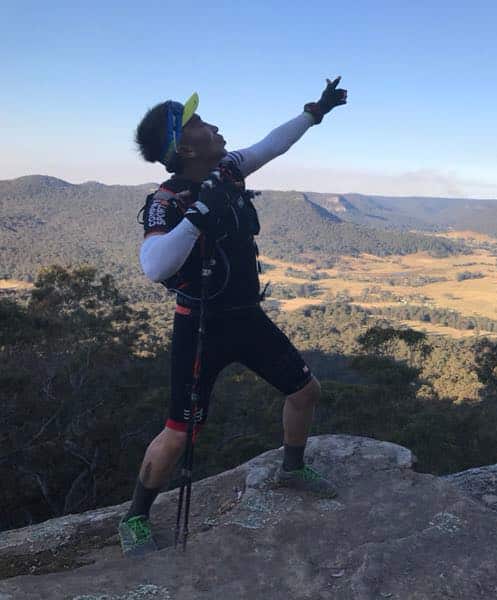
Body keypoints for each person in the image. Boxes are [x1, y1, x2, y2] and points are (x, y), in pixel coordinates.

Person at [118, 77, 348, 557]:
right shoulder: (167, 201)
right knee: (180, 433)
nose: (214, 126)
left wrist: (315, 112)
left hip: (246, 317)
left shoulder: (227, 169)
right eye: (200, 122)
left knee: (305, 391)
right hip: (200, 326)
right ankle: (135, 517)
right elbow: (154, 264)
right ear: (184, 148)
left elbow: (271, 145)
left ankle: (292, 468)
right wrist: (199, 215)